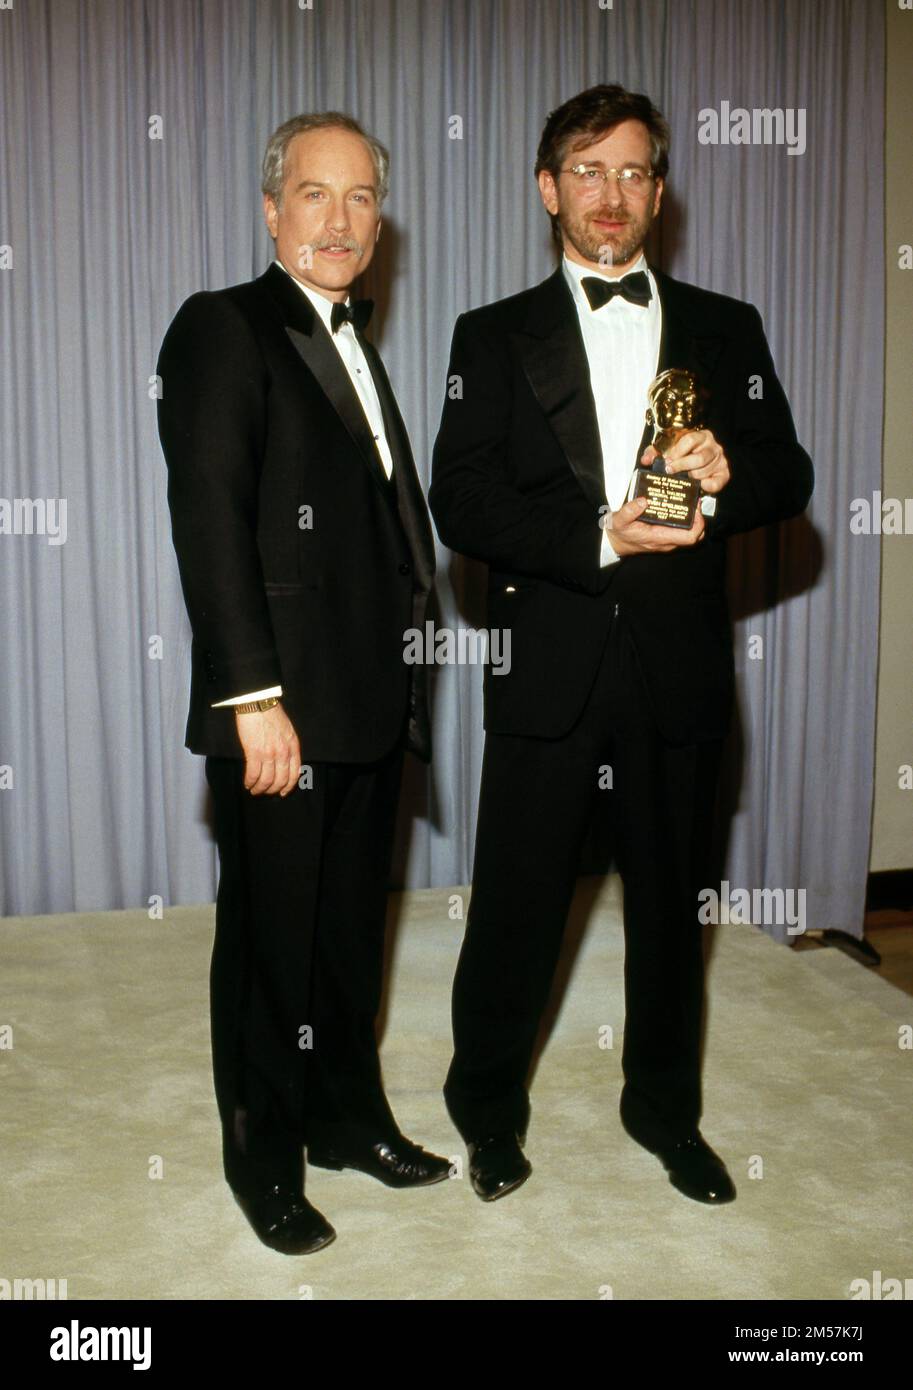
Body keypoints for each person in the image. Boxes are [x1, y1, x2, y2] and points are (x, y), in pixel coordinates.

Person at [429, 84, 813, 1206]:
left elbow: (789, 473)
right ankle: (487, 1116)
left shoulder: (727, 327)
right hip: (547, 669)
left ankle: (664, 1112)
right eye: (588, 172)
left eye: (635, 172)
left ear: (659, 193)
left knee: (671, 913)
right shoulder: (488, 336)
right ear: (548, 188)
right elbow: (462, 498)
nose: (612, 195)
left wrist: (730, 472)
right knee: (514, 912)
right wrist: (597, 537)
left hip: (677, 671)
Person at [157, 112, 447, 1255]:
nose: (340, 219)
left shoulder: (355, 343)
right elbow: (209, 521)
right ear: (271, 208)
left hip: (373, 704)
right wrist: (250, 698)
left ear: (381, 221)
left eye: (362, 197)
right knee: (270, 944)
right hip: (280, 712)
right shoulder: (223, 327)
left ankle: (345, 1118)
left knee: (343, 939)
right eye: (316, 195)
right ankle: (261, 1155)